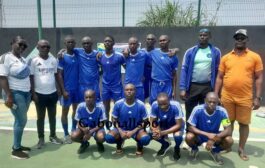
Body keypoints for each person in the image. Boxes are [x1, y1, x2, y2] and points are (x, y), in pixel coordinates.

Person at [215, 29, 263, 161]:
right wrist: (215, 94)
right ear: (234, 39)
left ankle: (241, 148)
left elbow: (259, 78)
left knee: (243, 124)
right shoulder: (226, 57)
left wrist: (258, 97)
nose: (240, 40)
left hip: (245, 97)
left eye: (242, 38)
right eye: (237, 37)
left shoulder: (254, 57)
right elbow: (219, 77)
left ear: (247, 39)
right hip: (227, 96)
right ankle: (227, 145)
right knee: (227, 122)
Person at [179, 28, 221, 130]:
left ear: (209, 37)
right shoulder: (190, 51)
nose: (202, 37)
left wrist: (216, 91)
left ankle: (203, 135)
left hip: (207, 87)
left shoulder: (215, 51)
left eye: (205, 35)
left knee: (206, 111)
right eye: (201, 35)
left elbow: (219, 71)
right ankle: (189, 133)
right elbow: (184, 69)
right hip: (192, 86)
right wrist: (183, 88)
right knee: (190, 111)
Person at [0, 36, 31, 159]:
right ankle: (16, 150)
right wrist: (9, 96)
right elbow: (2, 78)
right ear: (12, 43)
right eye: (20, 44)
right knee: (21, 120)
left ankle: (17, 145)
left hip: (25, 94)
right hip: (15, 93)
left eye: (24, 46)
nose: (22, 47)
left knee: (19, 120)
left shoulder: (23, 59)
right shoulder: (5, 58)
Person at [30, 39, 63, 149]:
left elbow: (56, 75)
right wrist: (33, 93)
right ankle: (41, 138)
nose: (45, 49)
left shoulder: (53, 60)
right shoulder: (34, 60)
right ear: (37, 47)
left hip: (52, 93)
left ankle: (53, 136)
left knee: (52, 116)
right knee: (40, 117)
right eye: (43, 47)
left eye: (48, 47)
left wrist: (58, 89)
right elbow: (31, 77)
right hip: (39, 94)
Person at [185, 92, 233, 165]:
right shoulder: (197, 109)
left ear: (218, 102)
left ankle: (215, 151)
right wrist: (207, 135)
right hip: (200, 136)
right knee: (189, 137)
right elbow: (190, 127)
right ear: (205, 101)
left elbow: (228, 130)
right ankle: (194, 149)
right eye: (209, 102)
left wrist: (214, 138)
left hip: (215, 136)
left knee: (229, 140)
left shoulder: (222, 111)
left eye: (214, 102)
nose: (211, 104)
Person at [105, 83, 151, 155]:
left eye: (131, 90)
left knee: (146, 139)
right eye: (127, 90)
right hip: (121, 129)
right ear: (124, 91)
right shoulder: (118, 104)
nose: (129, 91)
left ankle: (139, 146)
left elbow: (145, 121)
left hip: (136, 130)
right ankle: (119, 143)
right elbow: (114, 119)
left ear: (135, 91)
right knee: (108, 138)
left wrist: (133, 131)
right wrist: (120, 131)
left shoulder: (141, 104)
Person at [98, 35, 125, 124]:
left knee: (117, 107)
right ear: (103, 44)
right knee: (106, 107)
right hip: (105, 86)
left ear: (113, 43)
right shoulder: (100, 56)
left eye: (109, 41)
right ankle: (106, 126)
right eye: (105, 41)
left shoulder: (119, 56)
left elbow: (127, 67)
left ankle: (118, 127)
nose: (107, 43)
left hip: (117, 86)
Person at [57, 35, 79, 144]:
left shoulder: (78, 55)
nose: (70, 44)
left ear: (75, 43)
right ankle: (66, 134)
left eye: (72, 42)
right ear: (65, 44)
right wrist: (63, 90)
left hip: (78, 90)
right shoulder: (62, 57)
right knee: (65, 111)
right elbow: (59, 75)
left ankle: (73, 130)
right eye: (68, 42)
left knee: (76, 111)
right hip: (67, 90)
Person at [150, 93, 184, 160]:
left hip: (176, 124)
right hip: (163, 123)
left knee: (178, 136)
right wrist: (155, 130)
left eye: (165, 104)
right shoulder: (154, 105)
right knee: (152, 133)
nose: (162, 106)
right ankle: (165, 144)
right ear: (157, 102)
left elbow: (179, 124)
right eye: (160, 104)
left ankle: (177, 148)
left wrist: (162, 133)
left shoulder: (176, 105)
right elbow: (152, 121)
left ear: (169, 101)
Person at [71, 89, 106, 154]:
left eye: (90, 97)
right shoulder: (80, 106)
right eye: (86, 97)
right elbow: (78, 122)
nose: (88, 99)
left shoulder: (100, 106)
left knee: (101, 137)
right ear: (84, 98)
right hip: (84, 129)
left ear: (95, 98)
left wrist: (91, 132)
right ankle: (84, 143)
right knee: (73, 136)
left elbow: (102, 123)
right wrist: (83, 129)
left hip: (97, 129)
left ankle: (99, 143)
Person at [149, 35, 178, 104]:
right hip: (155, 84)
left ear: (169, 41)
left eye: (164, 40)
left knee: (167, 105)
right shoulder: (153, 53)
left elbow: (174, 74)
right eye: (160, 41)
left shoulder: (173, 57)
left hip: (167, 85)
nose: (162, 42)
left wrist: (174, 90)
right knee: (154, 105)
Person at [124, 36, 148, 102]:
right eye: (130, 44)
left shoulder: (143, 54)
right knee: (127, 105)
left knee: (140, 104)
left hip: (139, 86)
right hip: (128, 85)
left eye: (134, 44)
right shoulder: (124, 55)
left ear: (138, 45)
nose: (132, 45)